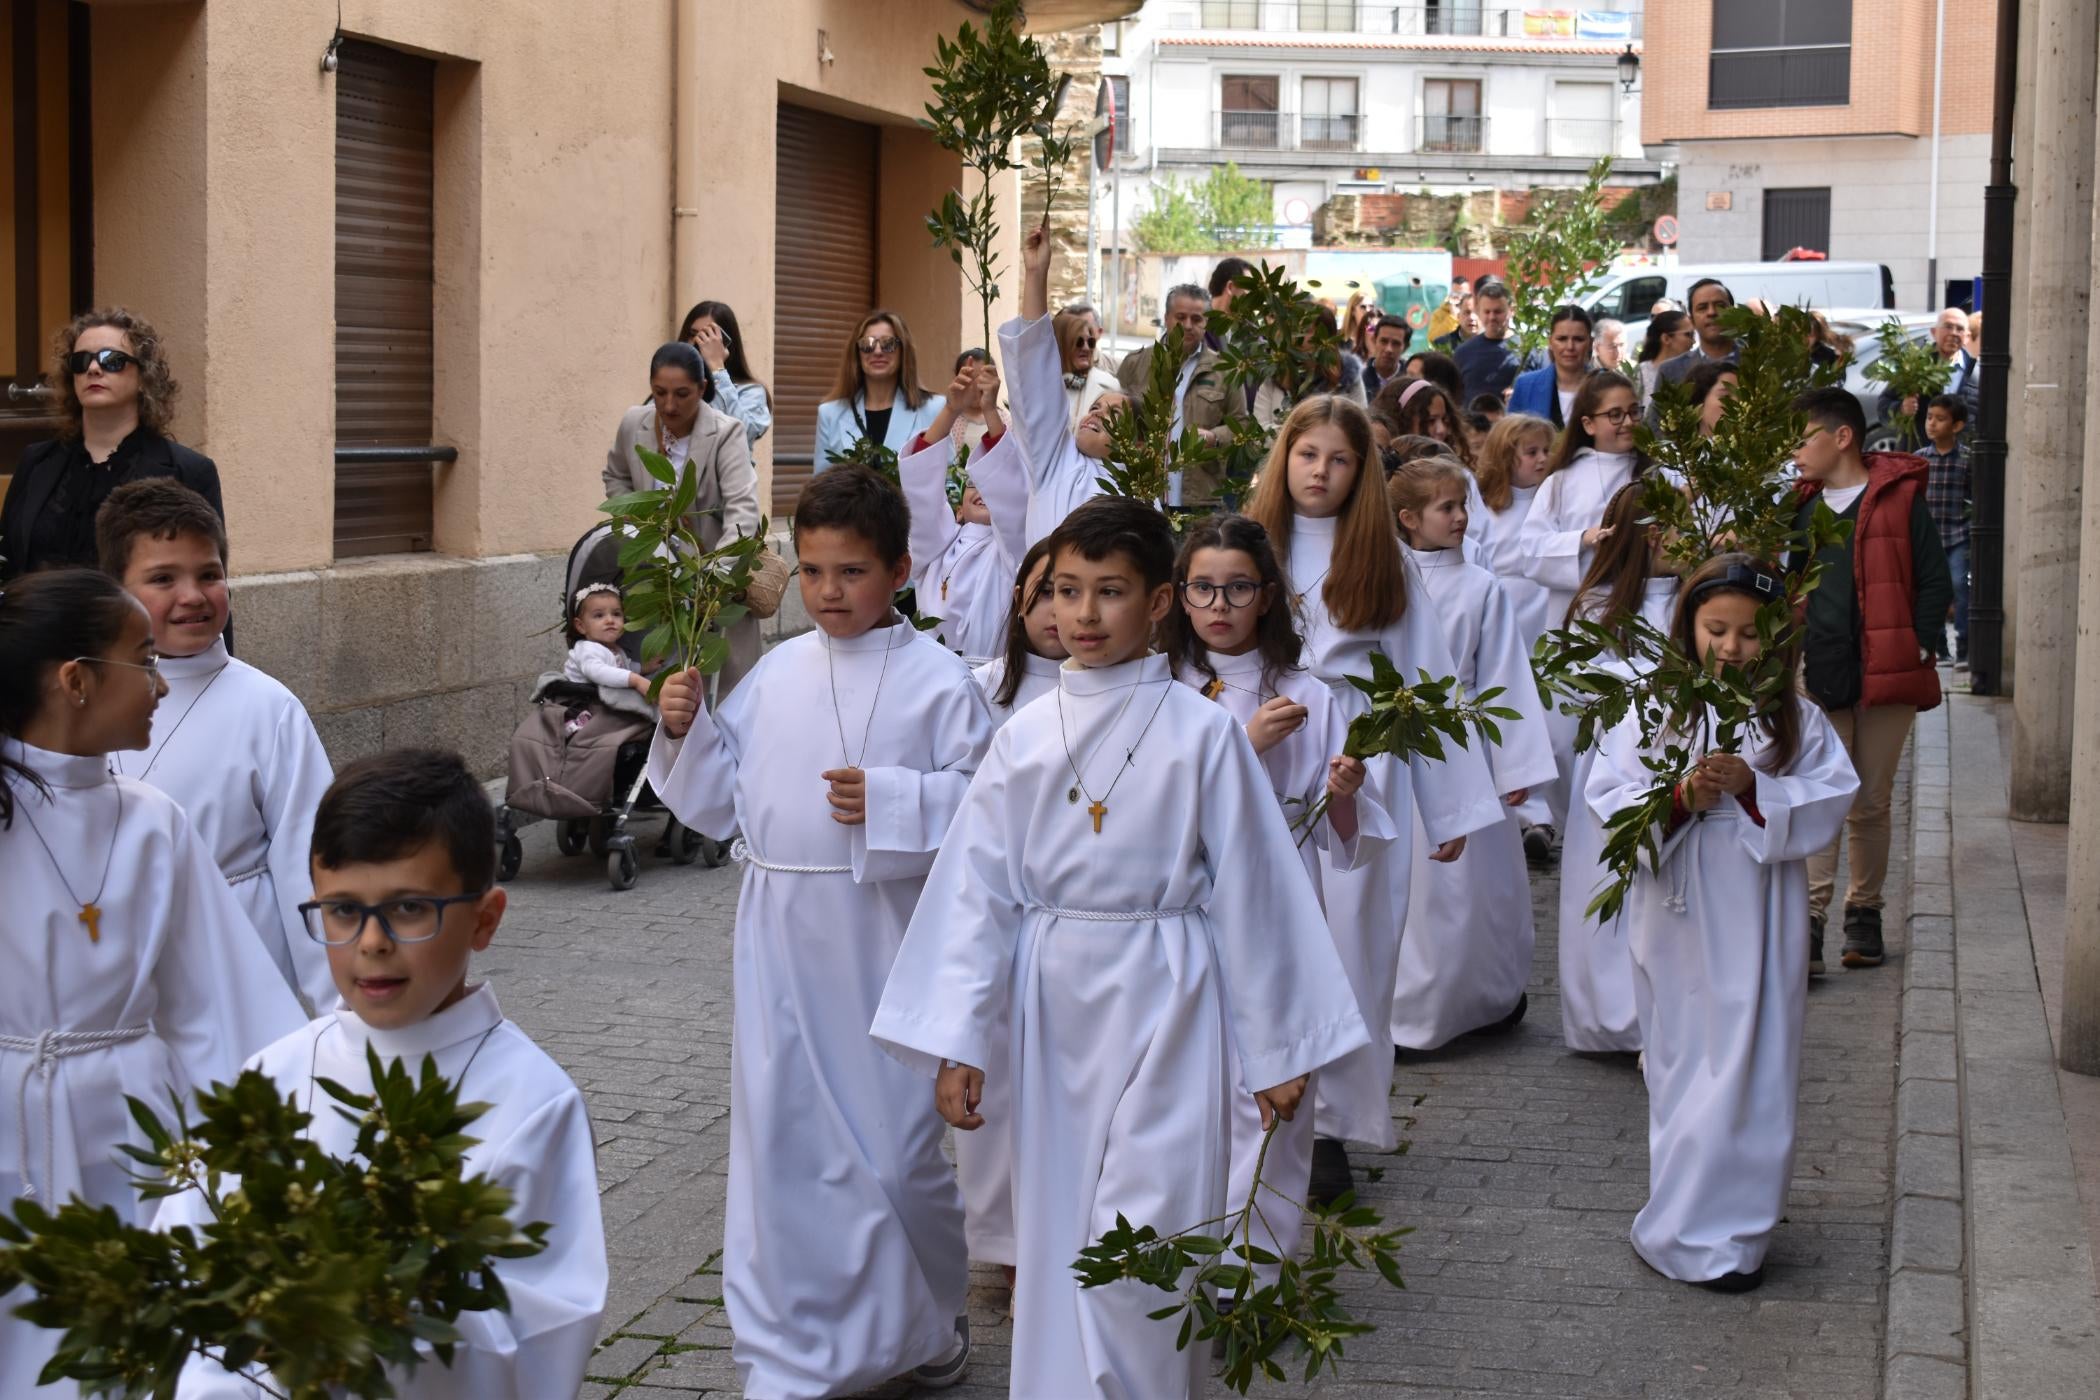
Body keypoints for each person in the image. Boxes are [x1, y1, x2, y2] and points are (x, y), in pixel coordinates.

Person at [870, 495, 1369, 1398]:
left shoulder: (1203, 731)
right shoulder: (1020, 737)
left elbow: (1256, 887)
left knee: (1147, 1231)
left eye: (1109, 591)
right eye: (1066, 591)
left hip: (1173, 992)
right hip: (1053, 997)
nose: (1083, 615)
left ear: (1160, 603)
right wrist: (956, 1038)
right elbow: (976, 893)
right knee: (1063, 1233)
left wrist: (1279, 1049)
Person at [646, 466, 992, 1397]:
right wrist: (681, 730)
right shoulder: (776, 671)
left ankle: (929, 1318)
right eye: (811, 572)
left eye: (851, 572)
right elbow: (723, 802)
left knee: (895, 1151)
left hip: (883, 940)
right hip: (780, 938)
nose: (828, 592)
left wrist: (892, 799)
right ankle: (797, 1337)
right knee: (787, 1144)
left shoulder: (939, 681)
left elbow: (984, 811)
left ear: (901, 569)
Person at [159, 750, 609, 1398]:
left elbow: (538, 1331)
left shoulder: (532, 1105)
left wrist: (361, 1314)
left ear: (484, 919)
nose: (371, 942)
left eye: (407, 909)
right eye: (342, 911)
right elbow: (189, 1257)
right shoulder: (273, 1075)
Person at [0, 568, 305, 1396]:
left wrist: (280, 1155)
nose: (162, 683)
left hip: (133, 1131)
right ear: (76, 680)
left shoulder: (151, 822)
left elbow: (223, 1008)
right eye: (142, 660)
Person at [1245, 397, 1502, 1205]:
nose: (1320, 472)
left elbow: (1430, 682)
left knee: (1354, 952)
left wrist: (1451, 806)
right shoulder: (1251, 545)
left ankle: (1330, 1127)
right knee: (1259, 941)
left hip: (1359, 766)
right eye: (1308, 454)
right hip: (1262, 755)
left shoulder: (1382, 562)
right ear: (1284, 459)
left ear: (1362, 475)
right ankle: (1251, 1104)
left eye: (1340, 460)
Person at [1588, 555, 1858, 1292]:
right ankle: (1677, 1220)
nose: (1732, 648)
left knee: (1751, 1059)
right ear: (1688, 626)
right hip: (1674, 900)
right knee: (1681, 1058)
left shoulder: (1792, 717)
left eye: (1749, 634)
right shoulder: (1654, 705)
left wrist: (1753, 787)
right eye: (1716, 629)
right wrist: (1678, 799)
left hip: (1756, 906)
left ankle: (1735, 1235)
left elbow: (1831, 795)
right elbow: (1610, 793)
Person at [1163, 512, 1388, 1276]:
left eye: (1237, 587)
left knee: (1277, 1072)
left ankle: (1259, 1260)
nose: (1219, 603)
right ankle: (1194, 1246)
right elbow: (1152, 813)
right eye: (1203, 587)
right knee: (1200, 1079)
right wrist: (1244, 745)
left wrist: (1345, 790)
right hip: (1188, 908)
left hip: (1283, 903)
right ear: (1179, 596)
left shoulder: (1309, 694)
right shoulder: (1163, 690)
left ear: (1268, 596)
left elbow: (1341, 832)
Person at [94, 479, 337, 1016]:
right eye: (162, 578)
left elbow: (310, 862)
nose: (193, 596)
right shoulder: (85, 697)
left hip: (236, 967)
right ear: (115, 589)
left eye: (210, 574)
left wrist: (334, 1013)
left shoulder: (267, 708)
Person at [1387, 458, 1558, 1050]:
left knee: (1476, 884)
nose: (1461, 518)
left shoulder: (1482, 586)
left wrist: (1517, 769)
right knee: (1418, 888)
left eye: (1463, 506)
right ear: (1409, 519)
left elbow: (1505, 676)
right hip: (1400, 749)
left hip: (1465, 742)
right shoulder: (1385, 579)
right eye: (1446, 508)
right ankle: (1410, 1006)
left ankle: (1484, 995)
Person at [1789, 388, 1951, 974]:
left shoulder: (1898, 497)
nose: (1794, 451)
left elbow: (1934, 580)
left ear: (1842, 437)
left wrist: (1919, 643)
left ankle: (1865, 913)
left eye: (1802, 437)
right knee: (1823, 796)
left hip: (1887, 669)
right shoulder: (1798, 507)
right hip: (1821, 669)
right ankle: (1808, 922)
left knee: (1870, 801)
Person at [952, 538, 1068, 1282]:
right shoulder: (980, 689)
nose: (1064, 612)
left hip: (1086, 926)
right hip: (1004, 917)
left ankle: (1061, 1244)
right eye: (1047, 592)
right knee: (998, 1091)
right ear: (1019, 601)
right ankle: (1006, 1245)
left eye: (1085, 591)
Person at [1555, 483, 1681, 1053]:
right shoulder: (1598, 605)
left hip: (1682, 755)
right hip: (1616, 759)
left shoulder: (1695, 599)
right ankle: (1611, 1014)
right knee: (1611, 880)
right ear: (1653, 535)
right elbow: (1572, 683)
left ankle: (1669, 1006)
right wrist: (1649, 690)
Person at [2, 308, 224, 584]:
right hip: (38, 625)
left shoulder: (189, 470)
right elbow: (9, 561)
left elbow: (209, 581)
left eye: (112, 360)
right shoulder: (36, 461)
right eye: (81, 361)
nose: (94, 368)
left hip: (134, 627)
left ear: (144, 376)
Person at [1516, 371, 1647, 834]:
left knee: (1631, 730)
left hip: (1642, 614)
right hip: (1575, 619)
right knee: (1564, 734)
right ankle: (1571, 827)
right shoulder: (1562, 481)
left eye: (1634, 411)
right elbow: (1530, 550)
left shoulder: (1658, 475)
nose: (1628, 421)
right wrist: (1582, 540)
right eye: (1616, 414)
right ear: (1588, 423)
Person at [604, 341, 763, 693]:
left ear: (702, 389)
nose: (669, 405)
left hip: (714, 590)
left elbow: (743, 511)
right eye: (659, 393)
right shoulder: (634, 423)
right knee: (663, 692)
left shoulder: (726, 432)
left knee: (721, 693)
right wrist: (638, 523)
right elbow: (615, 475)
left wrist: (713, 581)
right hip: (656, 584)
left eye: (682, 394)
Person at [995, 226, 1129, 547]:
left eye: (1113, 415)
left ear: (1136, 443)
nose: (1095, 415)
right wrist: (1036, 273)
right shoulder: (1056, 460)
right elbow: (1035, 374)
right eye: (1096, 406)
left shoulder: (1139, 489)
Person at [902, 358, 1022, 665]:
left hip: (993, 672)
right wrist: (951, 409)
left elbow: (1010, 491)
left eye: (989, 484)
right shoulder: (937, 547)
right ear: (957, 511)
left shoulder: (1012, 550)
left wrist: (990, 411)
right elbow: (920, 491)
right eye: (972, 485)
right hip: (932, 669)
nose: (982, 490)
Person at [1116, 282, 1235, 506]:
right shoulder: (1135, 364)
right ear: (1167, 318)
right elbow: (1112, 419)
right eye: (1180, 317)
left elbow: (1243, 425)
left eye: (1197, 319)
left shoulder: (1224, 370)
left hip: (1200, 500)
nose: (1188, 326)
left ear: (1207, 321)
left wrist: (1215, 437)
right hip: (1143, 497)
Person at [815, 310, 947, 467]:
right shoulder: (830, 413)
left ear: (903, 351)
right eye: (867, 344)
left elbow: (948, 479)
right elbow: (821, 485)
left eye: (888, 343)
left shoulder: (934, 408)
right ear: (857, 353)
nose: (877, 351)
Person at [1919, 393, 1972, 665]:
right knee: (1932, 590)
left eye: (1940, 419)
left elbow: (1975, 498)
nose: (1932, 424)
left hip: (1958, 535)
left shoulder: (1966, 459)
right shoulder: (1920, 460)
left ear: (1957, 426)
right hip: (1930, 540)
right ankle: (1939, 645)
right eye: (1929, 417)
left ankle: (1964, 642)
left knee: (1959, 584)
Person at [678, 299, 774, 449]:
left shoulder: (751, 391)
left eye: (706, 336)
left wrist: (717, 368)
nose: (697, 342)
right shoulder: (673, 387)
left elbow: (741, 436)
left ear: (726, 342)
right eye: (692, 334)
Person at [1879, 307, 1976, 447]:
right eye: (1948, 327)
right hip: (1918, 454)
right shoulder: (1914, 366)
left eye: (1959, 329)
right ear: (1934, 332)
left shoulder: (1976, 373)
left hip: (1958, 461)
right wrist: (1901, 408)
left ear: (1967, 337)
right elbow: (1884, 406)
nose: (1953, 333)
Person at [1508, 305, 1596, 429]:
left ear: (1590, 343)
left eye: (1578, 339)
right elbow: (1510, 439)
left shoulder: (1606, 386)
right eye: (1562, 339)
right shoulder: (1525, 386)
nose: (1570, 346)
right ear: (1550, 342)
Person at [564, 582, 655, 698]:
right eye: (599, 615)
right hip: (582, 702)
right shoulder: (586, 649)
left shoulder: (615, 649)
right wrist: (635, 680)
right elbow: (597, 672)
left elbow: (624, 667)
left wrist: (643, 668)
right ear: (581, 626)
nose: (610, 620)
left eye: (616, 614)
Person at [1654, 279, 1737, 394]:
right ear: (1691, 319)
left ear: (1733, 312)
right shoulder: (1670, 372)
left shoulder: (1759, 362)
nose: (1711, 312)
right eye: (1702, 308)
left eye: (1720, 305)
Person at [1054, 304, 1122, 429]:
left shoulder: (1108, 386)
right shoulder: (1042, 386)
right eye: (1078, 342)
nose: (1086, 348)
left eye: (1090, 342)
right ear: (1061, 344)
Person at [1454, 282, 1523, 402]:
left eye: (1497, 312)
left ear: (1511, 310)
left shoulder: (1526, 350)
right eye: (1487, 312)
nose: (1492, 317)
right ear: (1479, 311)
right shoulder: (1463, 353)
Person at [1635, 310, 1694, 409]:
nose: (1693, 341)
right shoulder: (1641, 372)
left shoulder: (1694, 369)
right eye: (1688, 335)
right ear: (1666, 338)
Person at [1362, 314, 1413, 398]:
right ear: (1374, 341)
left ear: (1406, 347)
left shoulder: (1412, 384)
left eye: (1396, 343)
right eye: (1384, 341)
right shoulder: (1358, 380)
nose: (1389, 349)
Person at [1688, 360, 1739, 437]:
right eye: (1726, 396)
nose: (1737, 403)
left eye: (1742, 397)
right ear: (1699, 404)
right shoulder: (1674, 448)